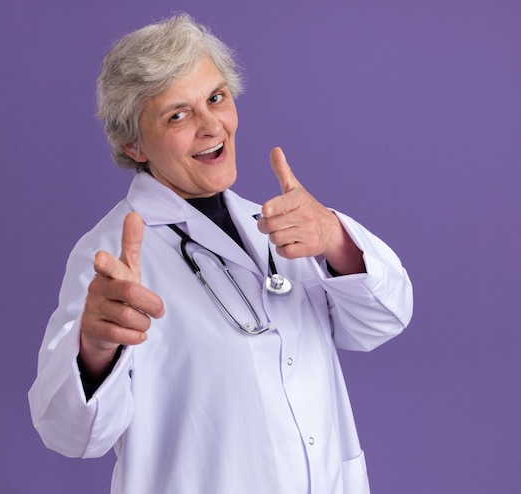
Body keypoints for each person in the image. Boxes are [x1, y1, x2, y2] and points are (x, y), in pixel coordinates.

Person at [28, 13, 413, 494]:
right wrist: (95, 349)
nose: (212, 126)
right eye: (177, 114)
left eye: (216, 98)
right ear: (133, 143)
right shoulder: (109, 256)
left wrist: (335, 238)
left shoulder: (279, 223)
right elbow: (70, 434)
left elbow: (383, 321)